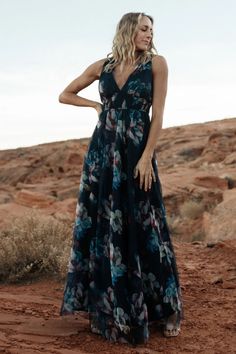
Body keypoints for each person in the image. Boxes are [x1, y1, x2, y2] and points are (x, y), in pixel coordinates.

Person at [59, 12, 183, 345]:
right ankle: (110, 308)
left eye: (152, 30)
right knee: (104, 229)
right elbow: (65, 94)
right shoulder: (103, 66)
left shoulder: (156, 64)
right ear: (128, 30)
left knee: (147, 225)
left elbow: (158, 114)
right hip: (103, 153)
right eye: (144, 28)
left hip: (137, 152)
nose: (149, 34)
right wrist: (96, 108)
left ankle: (168, 308)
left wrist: (146, 157)